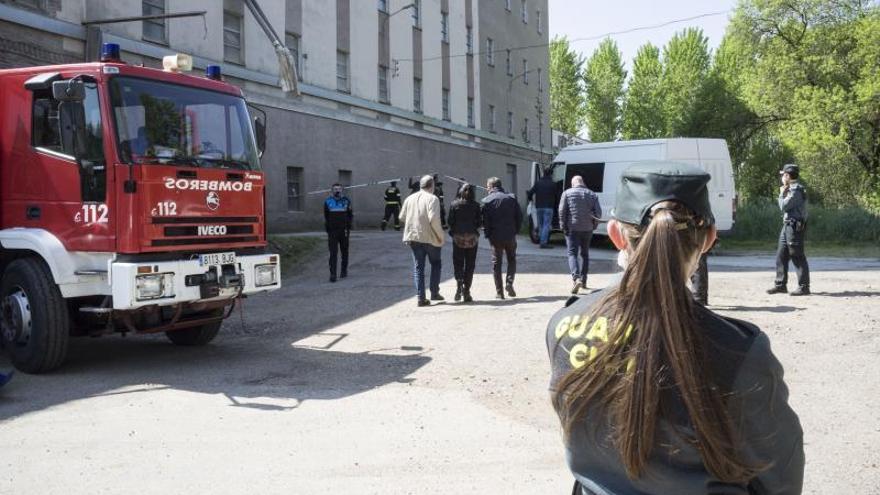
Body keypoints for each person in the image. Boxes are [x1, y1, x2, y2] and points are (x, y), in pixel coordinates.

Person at [547, 162, 804, 495]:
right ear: (709, 239)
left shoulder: (563, 326)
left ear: (615, 235)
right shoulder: (740, 351)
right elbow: (778, 476)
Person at [400, 175, 445, 306]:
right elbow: (434, 220)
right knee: (436, 263)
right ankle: (434, 292)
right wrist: (440, 236)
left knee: (419, 267)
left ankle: (421, 297)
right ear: (432, 185)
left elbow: (402, 217)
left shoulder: (409, 198)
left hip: (414, 237)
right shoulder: (433, 198)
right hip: (430, 237)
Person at [768, 164, 810, 296]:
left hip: (794, 226)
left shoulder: (796, 190)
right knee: (781, 255)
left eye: (783, 175)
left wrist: (781, 192)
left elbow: (784, 206)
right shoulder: (790, 188)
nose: (781, 177)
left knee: (797, 255)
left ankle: (804, 287)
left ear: (787, 176)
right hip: (787, 225)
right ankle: (780, 285)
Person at [558, 175, 602, 294]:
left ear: (573, 184)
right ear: (583, 182)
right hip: (587, 229)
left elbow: (562, 211)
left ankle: (576, 278)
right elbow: (598, 213)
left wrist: (563, 226)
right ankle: (584, 280)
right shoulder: (592, 194)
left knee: (572, 253)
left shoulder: (566, 193)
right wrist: (594, 226)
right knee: (585, 254)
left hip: (572, 228)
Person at [481, 177, 523, 299]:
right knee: (511, 259)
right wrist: (516, 231)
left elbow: (485, 222)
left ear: (490, 187)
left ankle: (499, 292)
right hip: (510, 235)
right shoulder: (511, 198)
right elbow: (519, 216)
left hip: (495, 237)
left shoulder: (487, 201)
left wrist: (488, 235)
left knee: (496, 264)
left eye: (487, 186)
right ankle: (509, 282)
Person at [447, 183, 481, 303]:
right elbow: (479, 222)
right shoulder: (476, 205)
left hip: (458, 238)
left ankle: (459, 281)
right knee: (470, 264)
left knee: (458, 262)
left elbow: (450, 221)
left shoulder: (454, 204)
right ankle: (467, 292)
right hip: (472, 238)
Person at [323, 183, 352, 283]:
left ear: (342, 190)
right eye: (335, 189)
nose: (337, 191)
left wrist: (348, 226)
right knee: (333, 253)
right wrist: (329, 227)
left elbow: (350, 215)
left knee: (344, 251)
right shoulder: (328, 201)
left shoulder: (346, 201)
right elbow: (326, 215)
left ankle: (344, 270)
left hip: (344, 230)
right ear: (332, 190)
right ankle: (333, 274)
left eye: (339, 189)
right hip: (332, 231)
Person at [527, 165, 557, 248]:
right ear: (551, 174)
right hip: (549, 207)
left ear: (543, 173)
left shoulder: (538, 183)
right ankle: (543, 243)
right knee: (546, 225)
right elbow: (557, 196)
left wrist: (530, 200)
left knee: (540, 225)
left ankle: (541, 241)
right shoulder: (553, 184)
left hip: (539, 207)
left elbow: (530, 193)